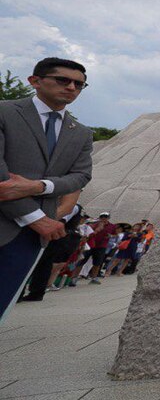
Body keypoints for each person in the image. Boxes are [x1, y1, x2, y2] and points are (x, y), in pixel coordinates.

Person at [0, 57, 94, 323]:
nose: (72, 88)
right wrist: (36, 218)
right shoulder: (5, 112)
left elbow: (81, 176)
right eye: (62, 80)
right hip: (25, 222)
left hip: (30, 238)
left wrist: (41, 186)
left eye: (79, 84)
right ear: (35, 81)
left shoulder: (81, 133)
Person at [19, 194, 83, 301]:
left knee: (38, 263)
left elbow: (59, 218)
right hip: (55, 237)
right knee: (43, 265)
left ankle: (28, 292)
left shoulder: (72, 207)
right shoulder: (68, 205)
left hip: (56, 237)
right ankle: (36, 292)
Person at [84, 213, 116, 284]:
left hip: (101, 246)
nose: (104, 218)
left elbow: (115, 234)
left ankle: (94, 278)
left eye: (106, 217)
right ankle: (74, 277)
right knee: (82, 260)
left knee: (97, 263)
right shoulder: (94, 223)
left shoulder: (112, 226)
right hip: (90, 244)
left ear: (108, 218)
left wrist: (110, 236)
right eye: (102, 217)